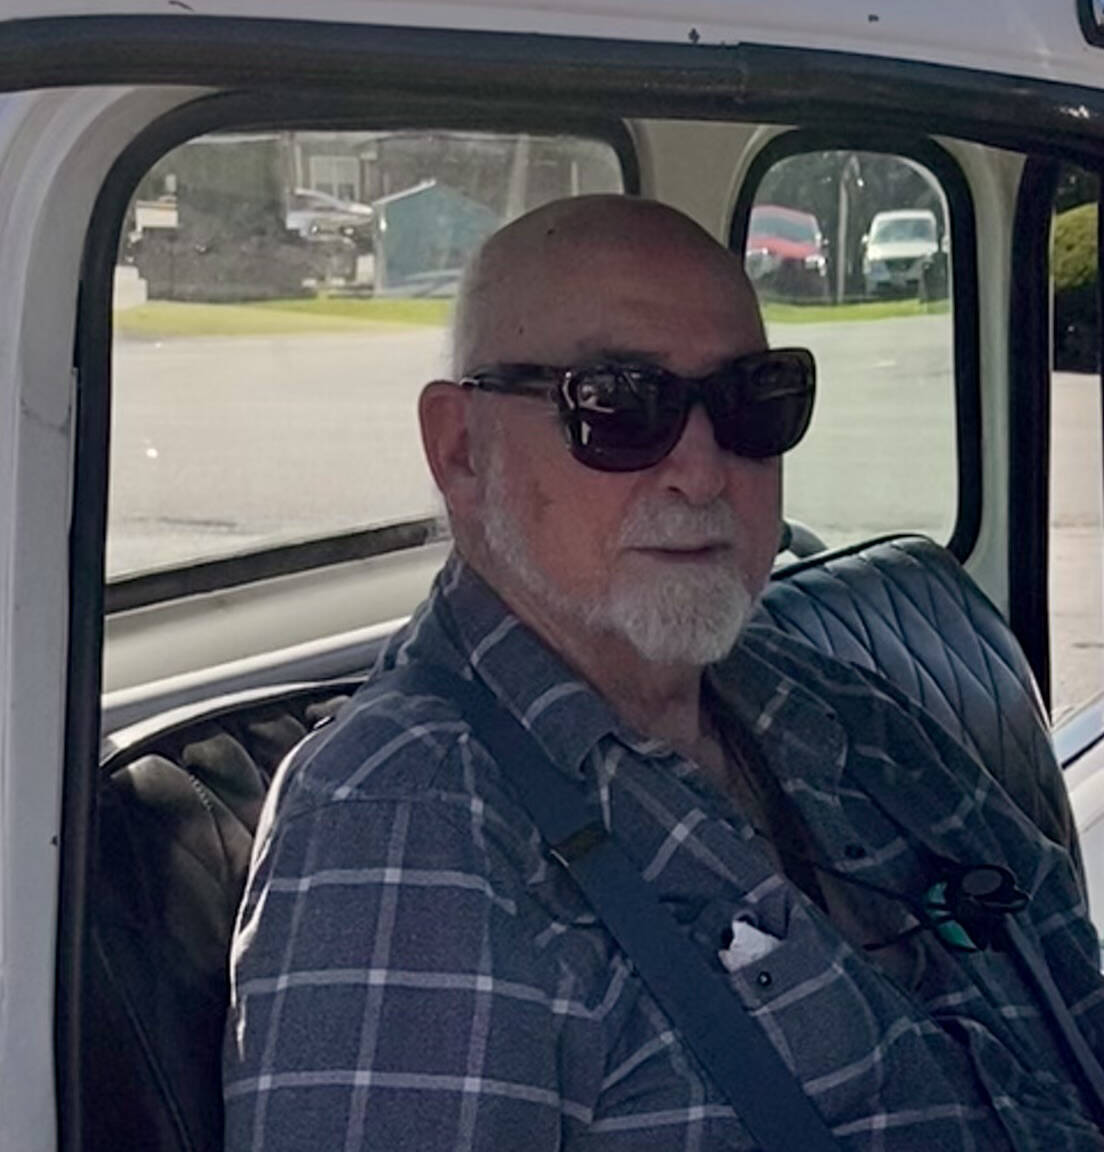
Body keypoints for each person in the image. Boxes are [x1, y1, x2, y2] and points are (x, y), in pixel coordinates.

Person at [224, 196, 1104, 1150]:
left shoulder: (830, 706)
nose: (704, 471)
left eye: (753, 401)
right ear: (461, 450)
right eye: (617, 405)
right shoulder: (407, 825)